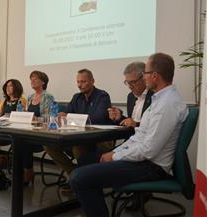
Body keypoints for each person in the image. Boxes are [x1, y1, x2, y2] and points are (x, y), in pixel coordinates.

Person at [70, 53, 188, 217]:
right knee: (84, 161)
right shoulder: (160, 101)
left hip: (151, 166)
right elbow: (139, 136)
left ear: (154, 75)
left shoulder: (167, 105)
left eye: (145, 73)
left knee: (78, 178)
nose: (144, 77)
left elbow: (149, 150)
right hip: (144, 160)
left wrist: (116, 156)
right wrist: (116, 153)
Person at [44, 69, 113, 187]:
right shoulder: (77, 97)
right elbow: (66, 113)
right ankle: (74, 174)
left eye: (83, 81)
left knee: (78, 146)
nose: (80, 85)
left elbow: (98, 118)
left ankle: (83, 180)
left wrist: (70, 117)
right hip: (78, 136)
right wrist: (62, 115)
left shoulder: (102, 96)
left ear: (92, 81)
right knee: (48, 144)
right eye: (78, 82)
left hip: (100, 138)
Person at [23, 71, 55, 184]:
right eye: (31, 79)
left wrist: (36, 119)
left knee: (23, 142)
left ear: (43, 82)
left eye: (35, 79)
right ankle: (23, 170)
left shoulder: (48, 97)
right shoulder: (30, 97)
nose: (32, 81)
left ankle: (28, 171)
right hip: (29, 131)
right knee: (18, 139)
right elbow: (27, 115)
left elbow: (50, 118)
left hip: (41, 135)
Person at [108, 62, 153, 128]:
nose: (130, 86)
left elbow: (155, 126)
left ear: (144, 78)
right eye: (127, 82)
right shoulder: (130, 96)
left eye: (133, 82)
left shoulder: (154, 95)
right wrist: (120, 118)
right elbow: (131, 122)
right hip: (132, 136)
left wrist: (136, 125)